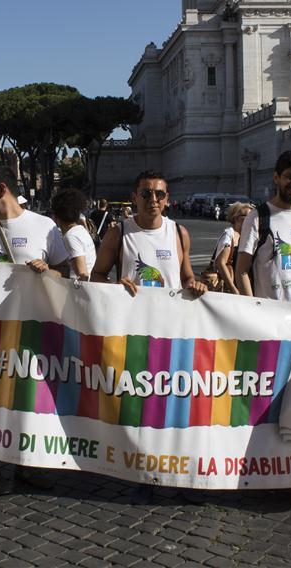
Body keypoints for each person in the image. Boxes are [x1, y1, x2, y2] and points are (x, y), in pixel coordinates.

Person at [91, 171, 207, 504]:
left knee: (176, 404)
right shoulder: (119, 233)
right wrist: (114, 287)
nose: (152, 200)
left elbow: (186, 276)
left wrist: (196, 284)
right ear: (134, 197)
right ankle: (143, 475)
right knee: (141, 406)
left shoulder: (178, 233)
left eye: (158, 194)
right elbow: (96, 274)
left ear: (167, 199)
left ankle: (182, 474)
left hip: (174, 333)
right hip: (134, 331)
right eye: (146, 194)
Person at [0, 164, 69, 495]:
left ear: (1, 189)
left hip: (31, 329)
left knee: (26, 398)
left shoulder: (43, 226)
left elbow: (66, 271)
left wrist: (48, 270)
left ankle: (26, 464)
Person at [235, 150, 291, 301]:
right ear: (276, 177)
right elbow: (241, 271)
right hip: (268, 314)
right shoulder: (257, 217)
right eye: (289, 177)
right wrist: (253, 309)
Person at [207, 202, 253, 294]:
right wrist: (233, 288)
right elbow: (221, 263)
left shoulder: (246, 235)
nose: (252, 219)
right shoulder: (229, 234)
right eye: (248, 216)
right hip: (230, 288)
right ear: (236, 218)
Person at [51, 188, 97, 280]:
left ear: (56, 215)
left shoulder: (71, 236)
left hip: (76, 291)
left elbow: (82, 273)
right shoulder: (80, 230)